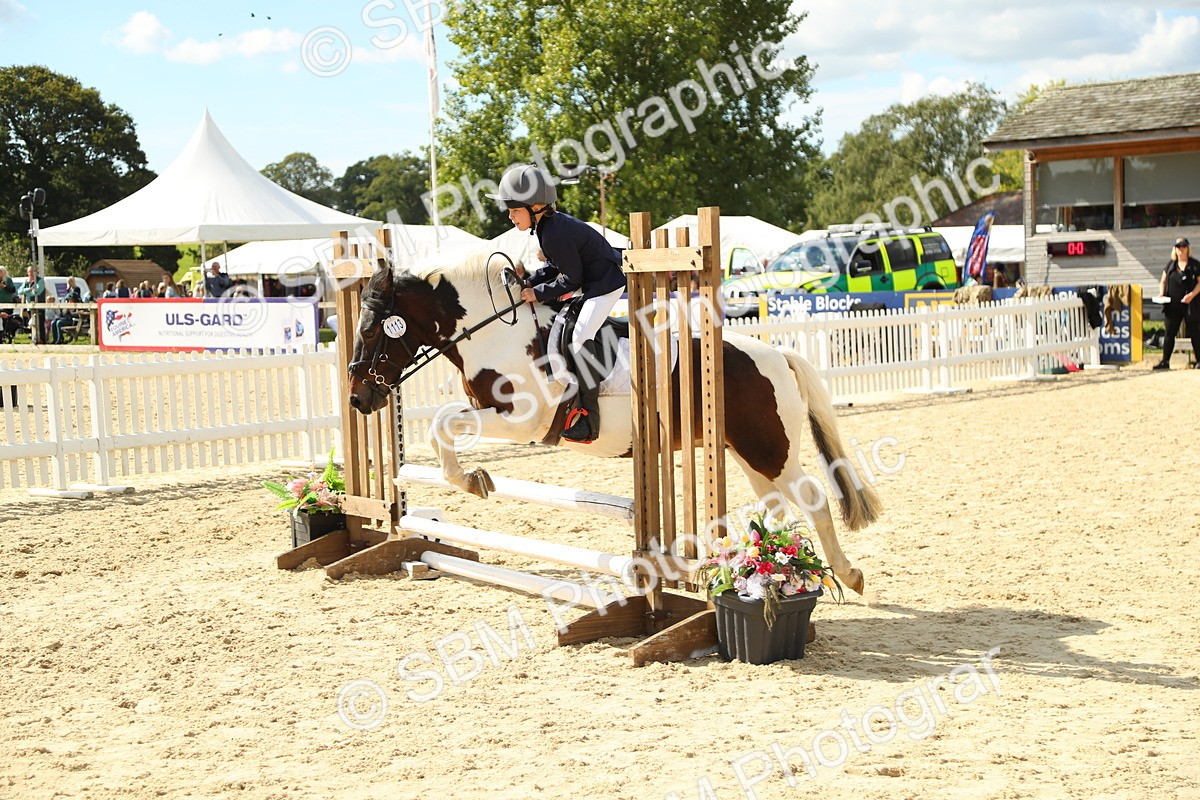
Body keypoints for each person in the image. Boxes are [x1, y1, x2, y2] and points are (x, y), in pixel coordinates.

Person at [487, 164, 626, 443]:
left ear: (535, 206)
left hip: (605, 285)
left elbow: (571, 278)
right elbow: (554, 267)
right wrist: (528, 282)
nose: (510, 216)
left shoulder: (553, 232)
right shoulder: (548, 227)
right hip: (592, 282)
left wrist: (537, 295)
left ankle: (589, 419)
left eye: (515, 209)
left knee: (580, 336)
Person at [1154, 236, 1200, 369]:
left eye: (1184, 246)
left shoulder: (1195, 264)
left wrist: (1191, 295)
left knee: (1195, 333)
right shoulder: (1170, 265)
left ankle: (1199, 360)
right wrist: (1161, 293)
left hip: (1191, 304)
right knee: (1169, 333)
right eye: (1178, 247)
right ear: (1175, 249)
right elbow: (1163, 281)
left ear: (1188, 249)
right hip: (1172, 305)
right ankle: (1165, 361)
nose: (1181, 249)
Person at [49, 277, 83, 345]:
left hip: (72, 319)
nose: (68, 301)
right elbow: (63, 312)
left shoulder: (76, 290)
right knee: (53, 322)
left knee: (59, 322)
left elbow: (75, 313)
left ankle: (60, 339)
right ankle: (55, 339)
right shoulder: (68, 291)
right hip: (66, 317)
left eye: (70, 282)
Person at [18, 266, 46, 344]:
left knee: (40, 324)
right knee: (32, 324)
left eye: (32, 272)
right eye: (29, 272)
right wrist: (29, 289)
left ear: (36, 272)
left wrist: (27, 292)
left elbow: (37, 292)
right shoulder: (26, 282)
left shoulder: (40, 281)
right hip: (30, 307)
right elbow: (20, 291)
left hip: (39, 306)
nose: (31, 274)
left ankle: (43, 341)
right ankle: (35, 340)